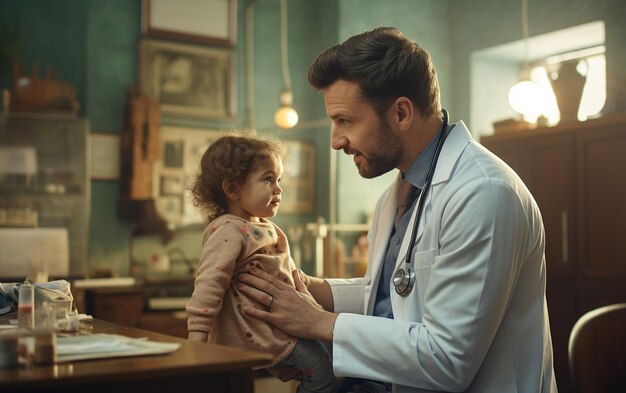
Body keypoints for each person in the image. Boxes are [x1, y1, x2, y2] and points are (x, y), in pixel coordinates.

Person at [237, 27, 558, 393]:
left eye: (345, 121)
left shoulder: (483, 193)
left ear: (402, 113)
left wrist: (318, 322)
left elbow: (448, 360)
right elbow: (396, 296)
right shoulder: (400, 192)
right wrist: (309, 288)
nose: (335, 140)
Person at [185, 133, 335, 393]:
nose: (278, 188)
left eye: (279, 180)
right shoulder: (229, 231)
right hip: (261, 334)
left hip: (283, 328)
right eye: (268, 179)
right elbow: (209, 285)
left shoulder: (267, 228)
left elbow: (290, 276)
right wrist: (197, 341)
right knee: (324, 374)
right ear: (232, 188)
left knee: (335, 361)